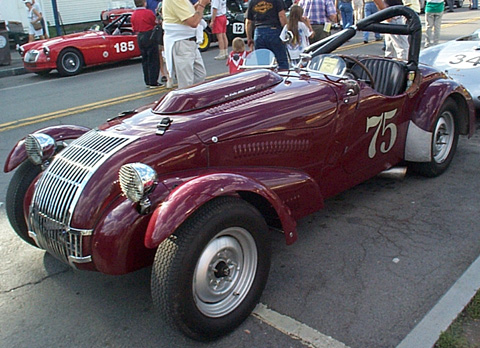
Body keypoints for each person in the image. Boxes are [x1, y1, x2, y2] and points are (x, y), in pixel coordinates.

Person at [163, 0, 210, 88]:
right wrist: (202, 5)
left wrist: (200, 4)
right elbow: (193, 22)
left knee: (200, 75)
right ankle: (188, 100)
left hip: (189, 42)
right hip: (182, 43)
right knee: (186, 82)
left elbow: (189, 13)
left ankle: (195, 99)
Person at [245, 0, 289, 70]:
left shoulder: (252, 1)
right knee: (281, 61)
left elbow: (249, 22)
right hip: (274, 30)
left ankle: (265, 80)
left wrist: (249, 38)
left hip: (259, 32)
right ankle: (283, 77)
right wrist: (286, 32)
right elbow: (282, 15)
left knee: (263, 64)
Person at [131, 0, 162, 88]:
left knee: (145, 59)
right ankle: (153, 81)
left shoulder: (133, 14)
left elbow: (133, 27)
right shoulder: (148, 12)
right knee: (153, 59)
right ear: (144, 3)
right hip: (149, 35)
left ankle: (147, 80)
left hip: (140, 36)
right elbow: (154, 22)